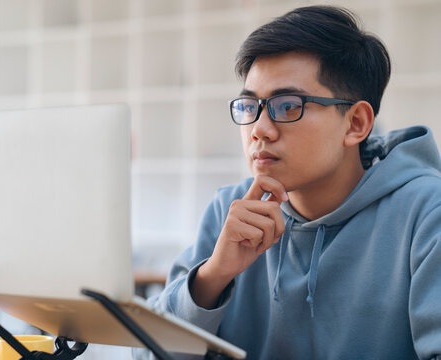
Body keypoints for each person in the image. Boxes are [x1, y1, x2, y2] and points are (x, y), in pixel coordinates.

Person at [134, 5, 441, 360]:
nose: (259, 130)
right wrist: (214, 276)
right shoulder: (231, 210)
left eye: (287, 105)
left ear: (356, 123)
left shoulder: (426, 213)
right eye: (250, 107)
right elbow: (145, 354)